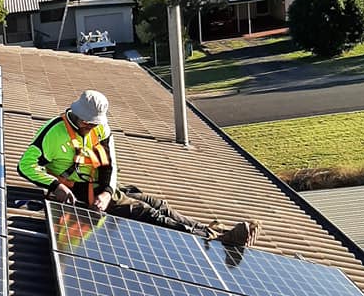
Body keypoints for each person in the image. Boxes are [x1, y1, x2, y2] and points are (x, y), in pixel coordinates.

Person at [17, 89, 261, 246]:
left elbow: (110, 163)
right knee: (146, 212)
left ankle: (209, 228)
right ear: (80, 119)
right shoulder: (53, 132)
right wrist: (55, 185)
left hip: (100, 186)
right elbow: (24, 164)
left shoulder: (100, 128)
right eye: (90, 124)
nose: (94, 128)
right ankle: (213, 239)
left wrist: (106, 192)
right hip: (79, 193)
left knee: (158, 204)